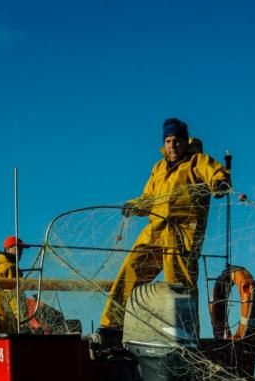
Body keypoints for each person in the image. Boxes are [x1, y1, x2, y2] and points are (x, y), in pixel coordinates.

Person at [98, 118, 231, 340]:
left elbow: (218, 174)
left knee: (181, 289)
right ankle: (111, 326)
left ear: (184, 142)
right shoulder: (158, 168)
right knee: (130, 271)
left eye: (176, 141)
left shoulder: (197, 161)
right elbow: (149, 198)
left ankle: (187, 338)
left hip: (182, 237)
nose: (172, 146)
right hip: (154, 232)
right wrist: (135, 206)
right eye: (168, 141)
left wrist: (219, 184)